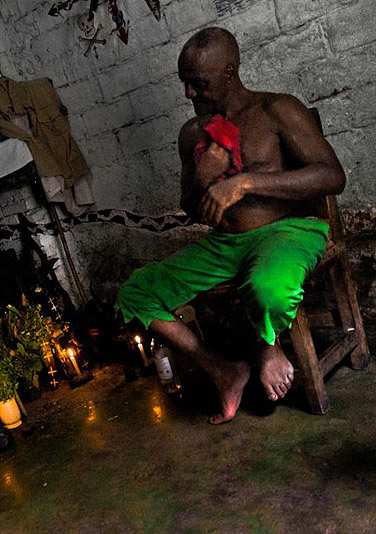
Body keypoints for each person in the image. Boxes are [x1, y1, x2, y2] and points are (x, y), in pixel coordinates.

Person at [114, 27, 345, 424]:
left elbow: (332, 176)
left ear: (230, 72)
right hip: (224, 244)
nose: (189, 93)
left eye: (199, 83)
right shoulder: (191, 134)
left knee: (268, 288)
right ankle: (223, 371)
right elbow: (191, 207)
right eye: (185, 82)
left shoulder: (277, 109)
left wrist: (245, 182)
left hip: (288, 231)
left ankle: (268, 346)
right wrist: (203, 179)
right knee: (135, 293)